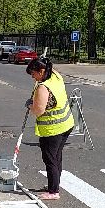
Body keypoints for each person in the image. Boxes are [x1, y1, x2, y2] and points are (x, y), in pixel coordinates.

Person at [26, 56, 74, 199]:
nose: (33, 77)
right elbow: (49, 68)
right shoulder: (55, 76)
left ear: (41, 71)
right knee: (57, 157)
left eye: (33, 74)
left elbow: (38, 110)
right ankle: (55, 185)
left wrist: (29, 104)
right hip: (66, 124)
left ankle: (53, 192)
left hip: (53, 129)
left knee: (50, 159)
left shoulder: (43, 88)